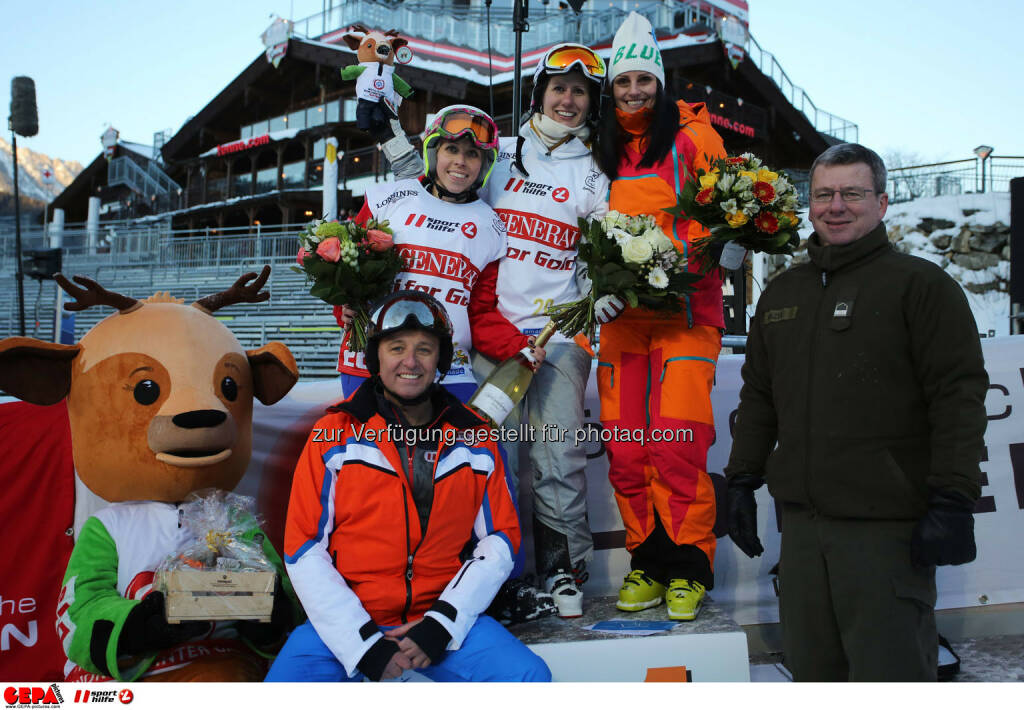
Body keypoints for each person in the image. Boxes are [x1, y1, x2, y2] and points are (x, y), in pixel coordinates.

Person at [724, 143, 987, 681]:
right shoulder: (781, 294)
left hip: (885, 532)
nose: (835, 206)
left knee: (888, 674)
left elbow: (958, 397)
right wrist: (741, 480)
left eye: (852, 193)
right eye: (823, 194)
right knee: (814, 673)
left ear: (882, 203)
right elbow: (759, 398)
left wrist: (955, 498)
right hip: (801, 533)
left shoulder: (921, 286)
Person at [266, 291, 551, 682]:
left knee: (530, 679)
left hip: (440, 621)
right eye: (396, 348)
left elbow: (500, 539)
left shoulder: (475, 437)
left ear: (441, 360)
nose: (410, 362)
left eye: (425, 349)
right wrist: (362, 644)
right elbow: (303, 546)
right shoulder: (333, 434)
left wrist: (443, 623)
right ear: (375, 359)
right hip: (345, 626)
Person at [468, 43, 613, 619]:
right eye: (559, 88)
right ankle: (489, 573)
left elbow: (611, 249)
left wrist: (607, 294)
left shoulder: (596, 168)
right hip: (492, 334)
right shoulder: (498, 152)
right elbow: (437, 189)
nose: (569, 99)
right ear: (539, 94)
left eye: (580, 91)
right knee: (488, 457)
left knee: (558, 458)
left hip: (559, 336)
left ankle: (563, 571)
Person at [593, 11, 726, 621]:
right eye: (624, 83)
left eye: (644, 81)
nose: (634, 92)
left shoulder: (695, 137)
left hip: (686, 312)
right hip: (624, 319)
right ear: (611, 88)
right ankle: (646, 560)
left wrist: (722, 246)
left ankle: (689, 568)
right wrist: (599, 284)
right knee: (626, 449)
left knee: (677, 443)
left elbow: (728, 210)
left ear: (661, 83)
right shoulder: (600, 146)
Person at [333, 105, 508, 404]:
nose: (460, 162)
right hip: (372, 358)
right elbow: (346, 267)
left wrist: (520, 346)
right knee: (374, 449)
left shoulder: (491, 225)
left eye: (473, 154)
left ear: (484, 164)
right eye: (451, 149)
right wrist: (344, 307)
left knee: (468, 445)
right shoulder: (389, 198)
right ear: (433, 152)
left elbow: (480, 311)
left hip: (449, 367)